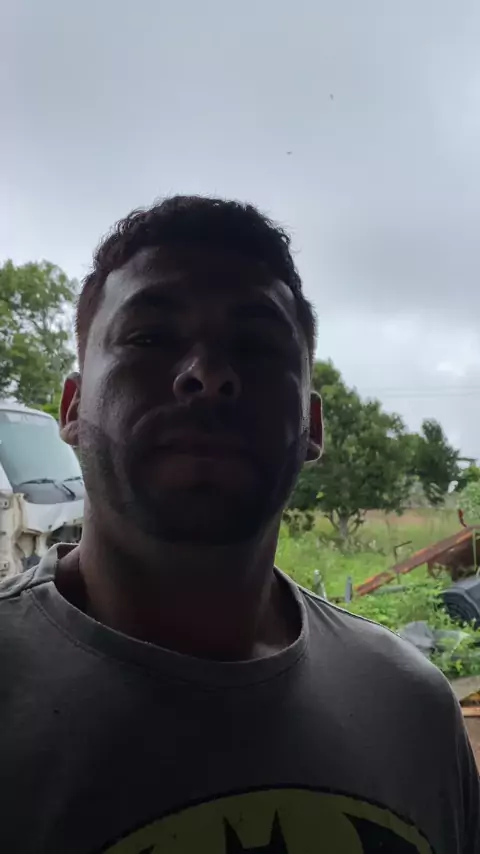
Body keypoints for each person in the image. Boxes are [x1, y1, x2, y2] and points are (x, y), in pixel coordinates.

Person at [0, 196, 477, 854]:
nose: (207, 375)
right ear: (73, 408)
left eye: (256, 346)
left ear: (311, 425)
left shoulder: (414, 710)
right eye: (149, 338)